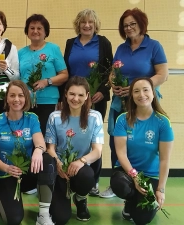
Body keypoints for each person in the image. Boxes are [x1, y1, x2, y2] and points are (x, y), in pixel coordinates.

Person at [103, 7, 168, 199]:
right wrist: (112, 83)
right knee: (116, 142)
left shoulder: (154, 46)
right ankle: (118, 182)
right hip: (120, 103)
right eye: (125, 25)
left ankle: (145, 180)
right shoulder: (122, 48)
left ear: (141, 24)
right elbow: (113, 72)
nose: (129, 28)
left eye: (133, 24)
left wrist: (136, 88)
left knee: (141, 141)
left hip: (143, 102)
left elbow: (163, 75)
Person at [0, 80, 57, 225]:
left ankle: (43, 215)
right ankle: (4, 195)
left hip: (26, 174)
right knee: (14, 219)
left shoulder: (32, 118)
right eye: (12, 95)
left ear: (26, 98)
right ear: (7, 98)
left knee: (47, 159)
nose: (16, 99)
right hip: (4, 175)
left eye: (20, 95)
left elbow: (40, 142)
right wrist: (6, 168)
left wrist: (38, 150)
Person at [63, 9, 113, 197]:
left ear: (95, 24)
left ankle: (93, 181)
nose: (87, 25)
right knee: (72, 136)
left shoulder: (103, 43)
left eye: (90, 22)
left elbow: (110, 70)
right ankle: (69, 174)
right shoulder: (70, 43)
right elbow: (66, 71)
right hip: (72, 98)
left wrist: (102, 91)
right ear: (78, 24)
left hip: (95, 99)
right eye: (83, 22)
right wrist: (64, 98)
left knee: (94, 140)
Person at [110, 77, 173, 224]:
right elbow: (121, 153)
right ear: (131, 95)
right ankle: (129, 201)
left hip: (150, 176)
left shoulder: (163, 122)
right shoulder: (122, 119)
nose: (141, 95)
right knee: (120, 184)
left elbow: (164, 159)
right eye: (136, 91)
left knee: (142, 219)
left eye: (146, 90)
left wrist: (161, 190)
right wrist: (135, 177)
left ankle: (133, 205)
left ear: (153, 93)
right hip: (127, 172)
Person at [45, 76, 104, 224]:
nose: (75, 98)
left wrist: (80, 161)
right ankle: (63, 193)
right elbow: (50, 148)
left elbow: (97, 151)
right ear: (65, 94)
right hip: (60, 169)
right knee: (60, 218)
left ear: (87, 96)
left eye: (80, 95)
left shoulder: (95, 117)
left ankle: (81, 198)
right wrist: (58, 163)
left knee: (87, 175)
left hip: (82, 168)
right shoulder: (54, 117)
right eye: (72, 94)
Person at [19, 14, 68, 134]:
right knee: (26, 136)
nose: (35, 31)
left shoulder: (53, 49)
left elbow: (64, 75)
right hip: (25, 102)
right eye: (32, 28)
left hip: (48, 101)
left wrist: (47, 81)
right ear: (27, 31)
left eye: (39, 28)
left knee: (46, 136)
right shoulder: (20, 52)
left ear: (45, 31)